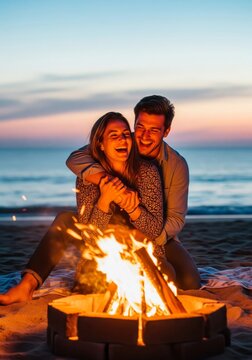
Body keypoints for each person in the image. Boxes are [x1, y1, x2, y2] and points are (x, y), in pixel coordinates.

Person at [0, 112, 165, 305]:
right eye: (113, 135)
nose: (121, 139)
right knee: (65, 221)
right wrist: (104, 201)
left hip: (140, 249)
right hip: (103, 249)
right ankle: (26, 287)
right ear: (100, 145)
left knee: (153, 281)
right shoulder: (87, 177)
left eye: (125, 134)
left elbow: (155, 230)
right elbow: (90, 238)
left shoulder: (147, 172)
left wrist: (134, 210)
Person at [66, 95, 201, 290]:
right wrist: (110, 184)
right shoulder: (120, 141)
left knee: (189, 282)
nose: (144, 136)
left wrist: (146, 237)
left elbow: (176, 219)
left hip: (158, 234)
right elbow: (75, 158)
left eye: (154, 130)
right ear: (135, 124)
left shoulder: (176, 166)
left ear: (166, 131)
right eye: (140, 128)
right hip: (112, 232)